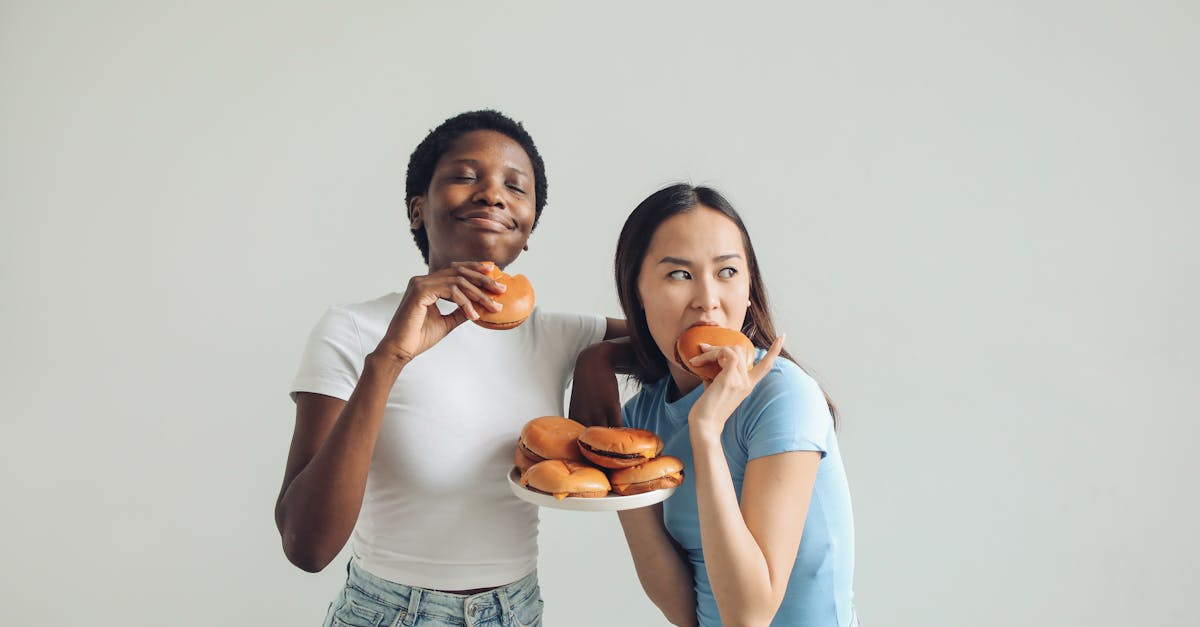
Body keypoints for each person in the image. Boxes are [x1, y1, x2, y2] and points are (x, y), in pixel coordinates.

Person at [275, 110, 625, 627]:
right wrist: (390, 358)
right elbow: (306, 547)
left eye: (515, 186)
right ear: (418, 209)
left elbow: (685, 341)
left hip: (518, 610)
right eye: (466, 176)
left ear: (527, 229)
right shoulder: (354, 329)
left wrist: (600, 357)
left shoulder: (559, 334)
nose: (492, 194)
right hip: (389, 613)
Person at [574, 183, 857, 626]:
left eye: (726, 272)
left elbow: (749, 617)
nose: (707, 299)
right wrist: (598, 361)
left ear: (748, 290)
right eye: (679, 275)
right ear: (637, 293)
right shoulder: (640, 422)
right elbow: (682, 610)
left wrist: (704, 431)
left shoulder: (782, 396)